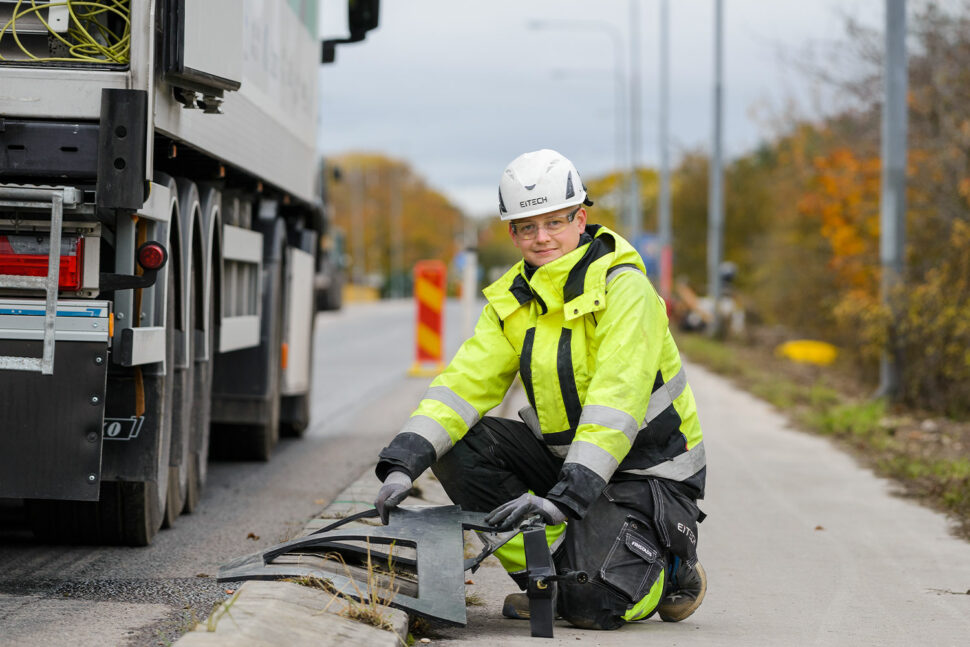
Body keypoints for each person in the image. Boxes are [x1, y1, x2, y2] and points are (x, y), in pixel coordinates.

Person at [373, 149, 707, 629]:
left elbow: (617, 403)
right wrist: (404, 463)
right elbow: (463, 386)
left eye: (554, 222)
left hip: (647, 474)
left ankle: (674, 569)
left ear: (580, 218)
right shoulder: (513, 298)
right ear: (512, 233)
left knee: (596, 607)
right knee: (458, 443)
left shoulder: (625, 289)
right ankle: (547, 580)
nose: (542, 237)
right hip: (570, 465)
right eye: (527, 227)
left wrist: (563, 498)